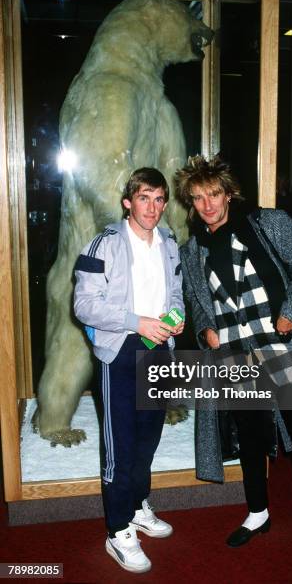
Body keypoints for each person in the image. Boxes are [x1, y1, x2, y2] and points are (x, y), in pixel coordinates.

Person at [176, 155, 292, 550]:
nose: (208, 205)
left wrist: (291, 312)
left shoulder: (269, 223)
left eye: (214, 194)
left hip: (278, 346)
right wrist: (205, 330)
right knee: (250, 436)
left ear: (229, 193)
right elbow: (198, 302)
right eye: (199, 198)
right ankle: (258, 513)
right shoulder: (192, 250)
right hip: (235, 353)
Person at [74, 167, 184, 573]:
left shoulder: (169, 243)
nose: (152, 208)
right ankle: (117, 528)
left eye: (158, 199)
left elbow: (176, 293)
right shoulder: (104, 244)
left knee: (147, 438)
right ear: (128, 201)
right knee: (119, 446)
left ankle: (137, 506)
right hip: (120, 351)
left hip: (159, 350)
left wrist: (177, 318)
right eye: (144, 198)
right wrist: (137, 322)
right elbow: (84, 305)